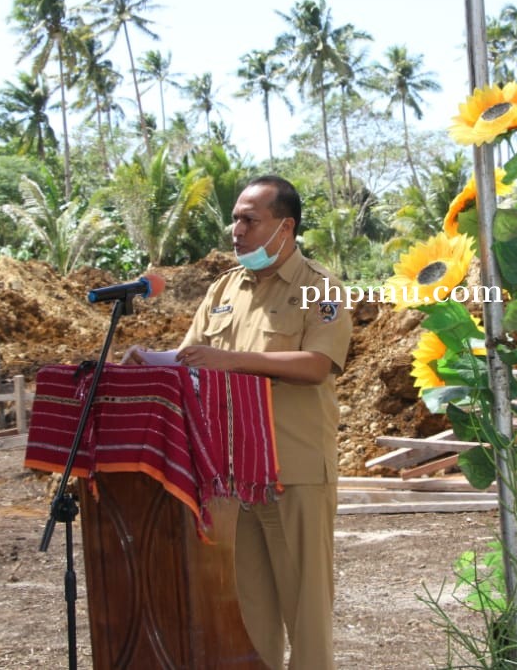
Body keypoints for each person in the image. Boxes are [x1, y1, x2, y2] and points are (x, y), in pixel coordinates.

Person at [126, 174, 351, 669]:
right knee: (249, 618)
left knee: (306, 614)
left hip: (294, 472)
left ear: (285, 226)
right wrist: (152, 359)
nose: (236, 229)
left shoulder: (321, 289)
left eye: (249, 219)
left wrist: (235, 360)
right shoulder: (224, 289)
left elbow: (316, 365)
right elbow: (193, 358)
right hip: (234, 475)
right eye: (234, 219)